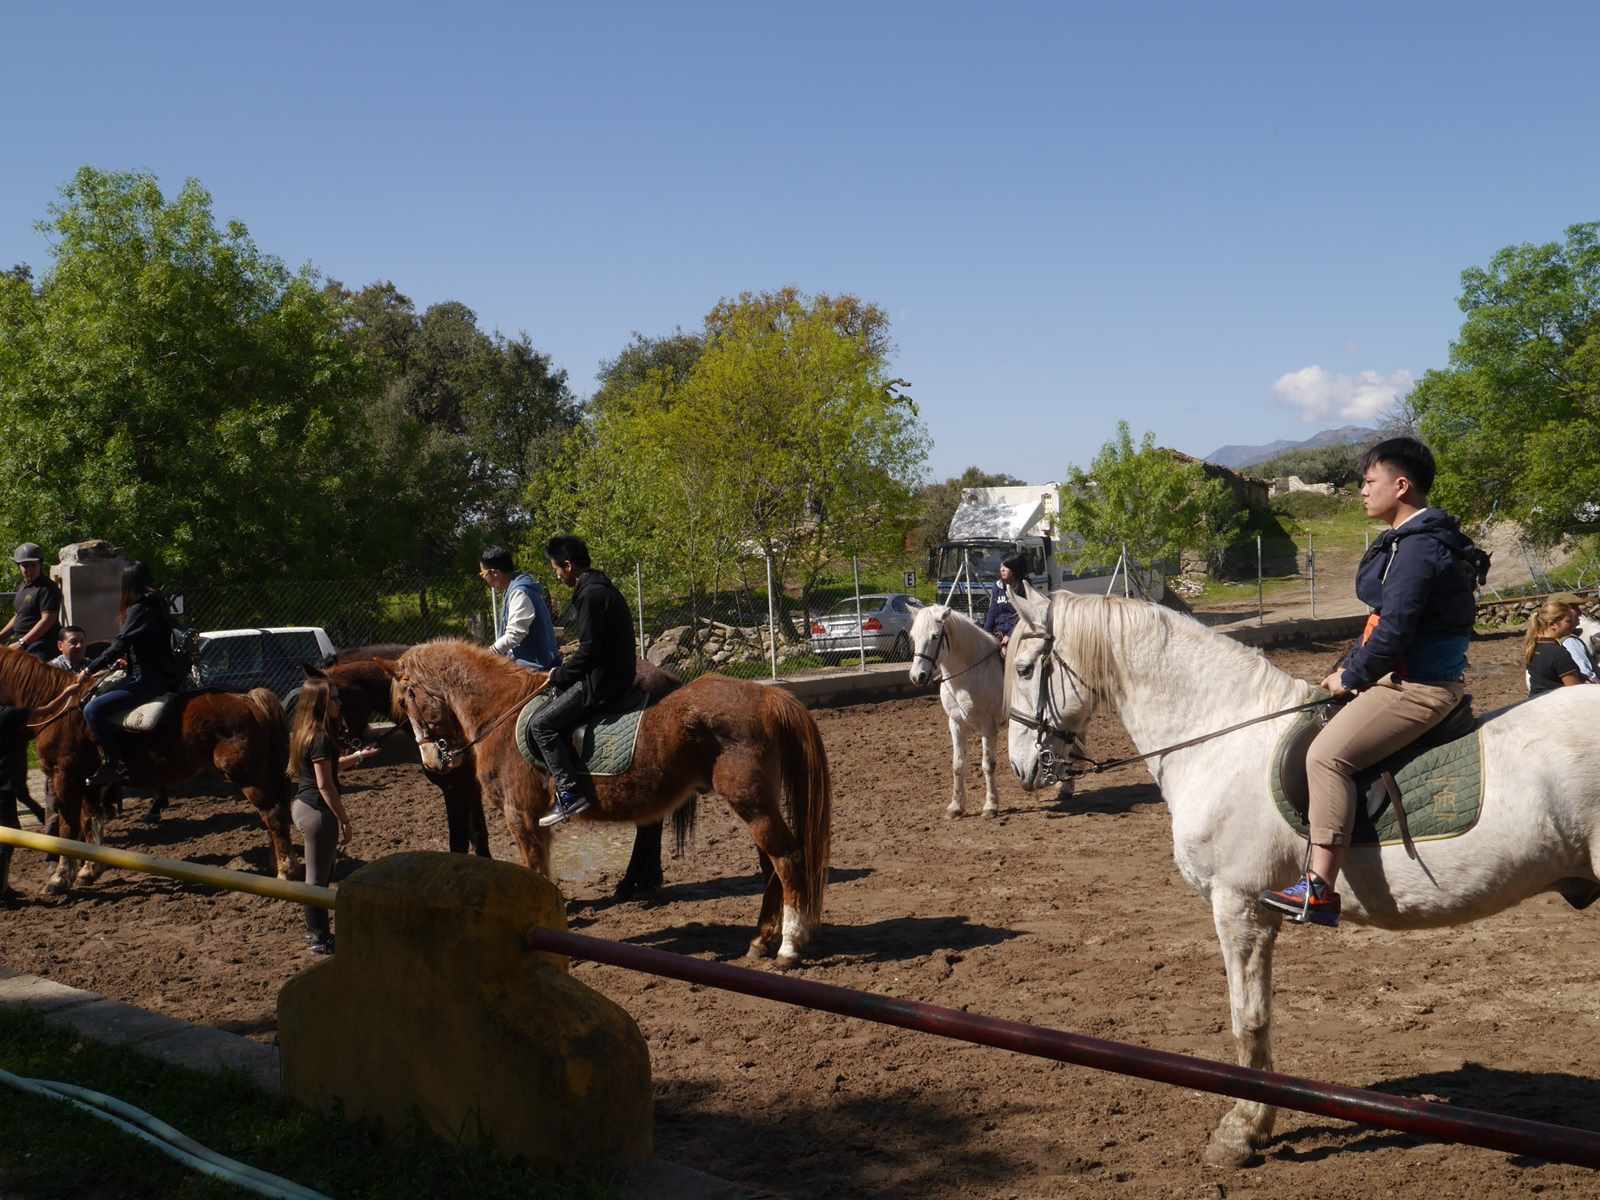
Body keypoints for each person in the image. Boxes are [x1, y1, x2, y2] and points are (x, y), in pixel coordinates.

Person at [1260, 437, 1488, 929]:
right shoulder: (1414, 541)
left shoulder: (1418, 548)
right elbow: (1382, 625)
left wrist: (1354, 674)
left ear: (1400, 485)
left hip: (1417, 687)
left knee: (1325, 755)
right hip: (1402, 676)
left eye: (1369, 482)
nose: (1362, 491)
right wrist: (1348, 667)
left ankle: (1319, 887)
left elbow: (1396, 629)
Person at [529, 535, 636, 827]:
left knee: (541, 725)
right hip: (614, 673)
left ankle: (569, 793)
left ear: (568, 565)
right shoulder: (600, 587)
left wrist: (560, 675)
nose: (556, 574)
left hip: (603, 682)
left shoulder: (590, 594)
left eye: (556, 569)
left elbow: (590, 650)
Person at [287, 669, 378, 954]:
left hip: (301, 806)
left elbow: (325, 769)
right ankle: (319, 938)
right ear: (322, 704)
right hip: (317, 812)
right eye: (335, 699)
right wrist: (343, 819)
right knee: (317, 880)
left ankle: (315, 933)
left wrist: (359, 757)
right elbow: (326, 784)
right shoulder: (322, 737)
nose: (340, 704)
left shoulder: (303, 732)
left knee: (318, 877)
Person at [80, 562, 184, 786]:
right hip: (156, 674)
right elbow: (145, 643)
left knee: (92, 709)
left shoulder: (139, 609)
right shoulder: (155, 604)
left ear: (127, 585)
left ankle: (113, 764)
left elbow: (120, 643)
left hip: (146, 680)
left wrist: (89, 669)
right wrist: (127, 660)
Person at [479, 546, 561, 669]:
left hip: (536, 667)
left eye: (483, 574)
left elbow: (514, 635)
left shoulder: (520, 592)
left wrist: (489, 653)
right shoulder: (514, 587)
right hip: (531, 661)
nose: (483, 578)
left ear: (495, 573)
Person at [1, 543, 62, 663]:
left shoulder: (47, 588)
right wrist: (1, 636)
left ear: (40, 564)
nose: (28, 569)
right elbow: (19, 615)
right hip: (22, 641)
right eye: (24, 565)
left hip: (41, 644)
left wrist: (22, 643)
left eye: (32, 565)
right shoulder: (23, 587)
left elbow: (48, 619)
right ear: (19, 566)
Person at [1524, 597, 1590, 697]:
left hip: (1536, 700)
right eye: (1568, 621)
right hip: (1557, 705)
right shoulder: (1558, 653)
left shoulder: (1534, 647)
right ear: (1553, 624)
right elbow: (1576, 691)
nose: (1573, 625)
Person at [0, 702, 31, 908]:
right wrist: (67, 694)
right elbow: (42, 712)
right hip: (2, 788)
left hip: (5, 787)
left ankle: (3, 886)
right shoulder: (8, 715)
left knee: (10, 837)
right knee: (5, 841)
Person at [983, 555, 1030, 650]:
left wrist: (1010, 635)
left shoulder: (1024, 587)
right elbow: (992, 612)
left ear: (1014, 570)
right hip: (999, 629)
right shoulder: (997, 587)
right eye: (1001, 567)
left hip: (1018, 631)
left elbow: (1024, 616)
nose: (1002, 570)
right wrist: (985, 633)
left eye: (1005, 567)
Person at [1548, 592, 1597, 683]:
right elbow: (1587, 675)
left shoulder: (1544, 642)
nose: (1580, 612)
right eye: (1575, 608)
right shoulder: (1570, 642)